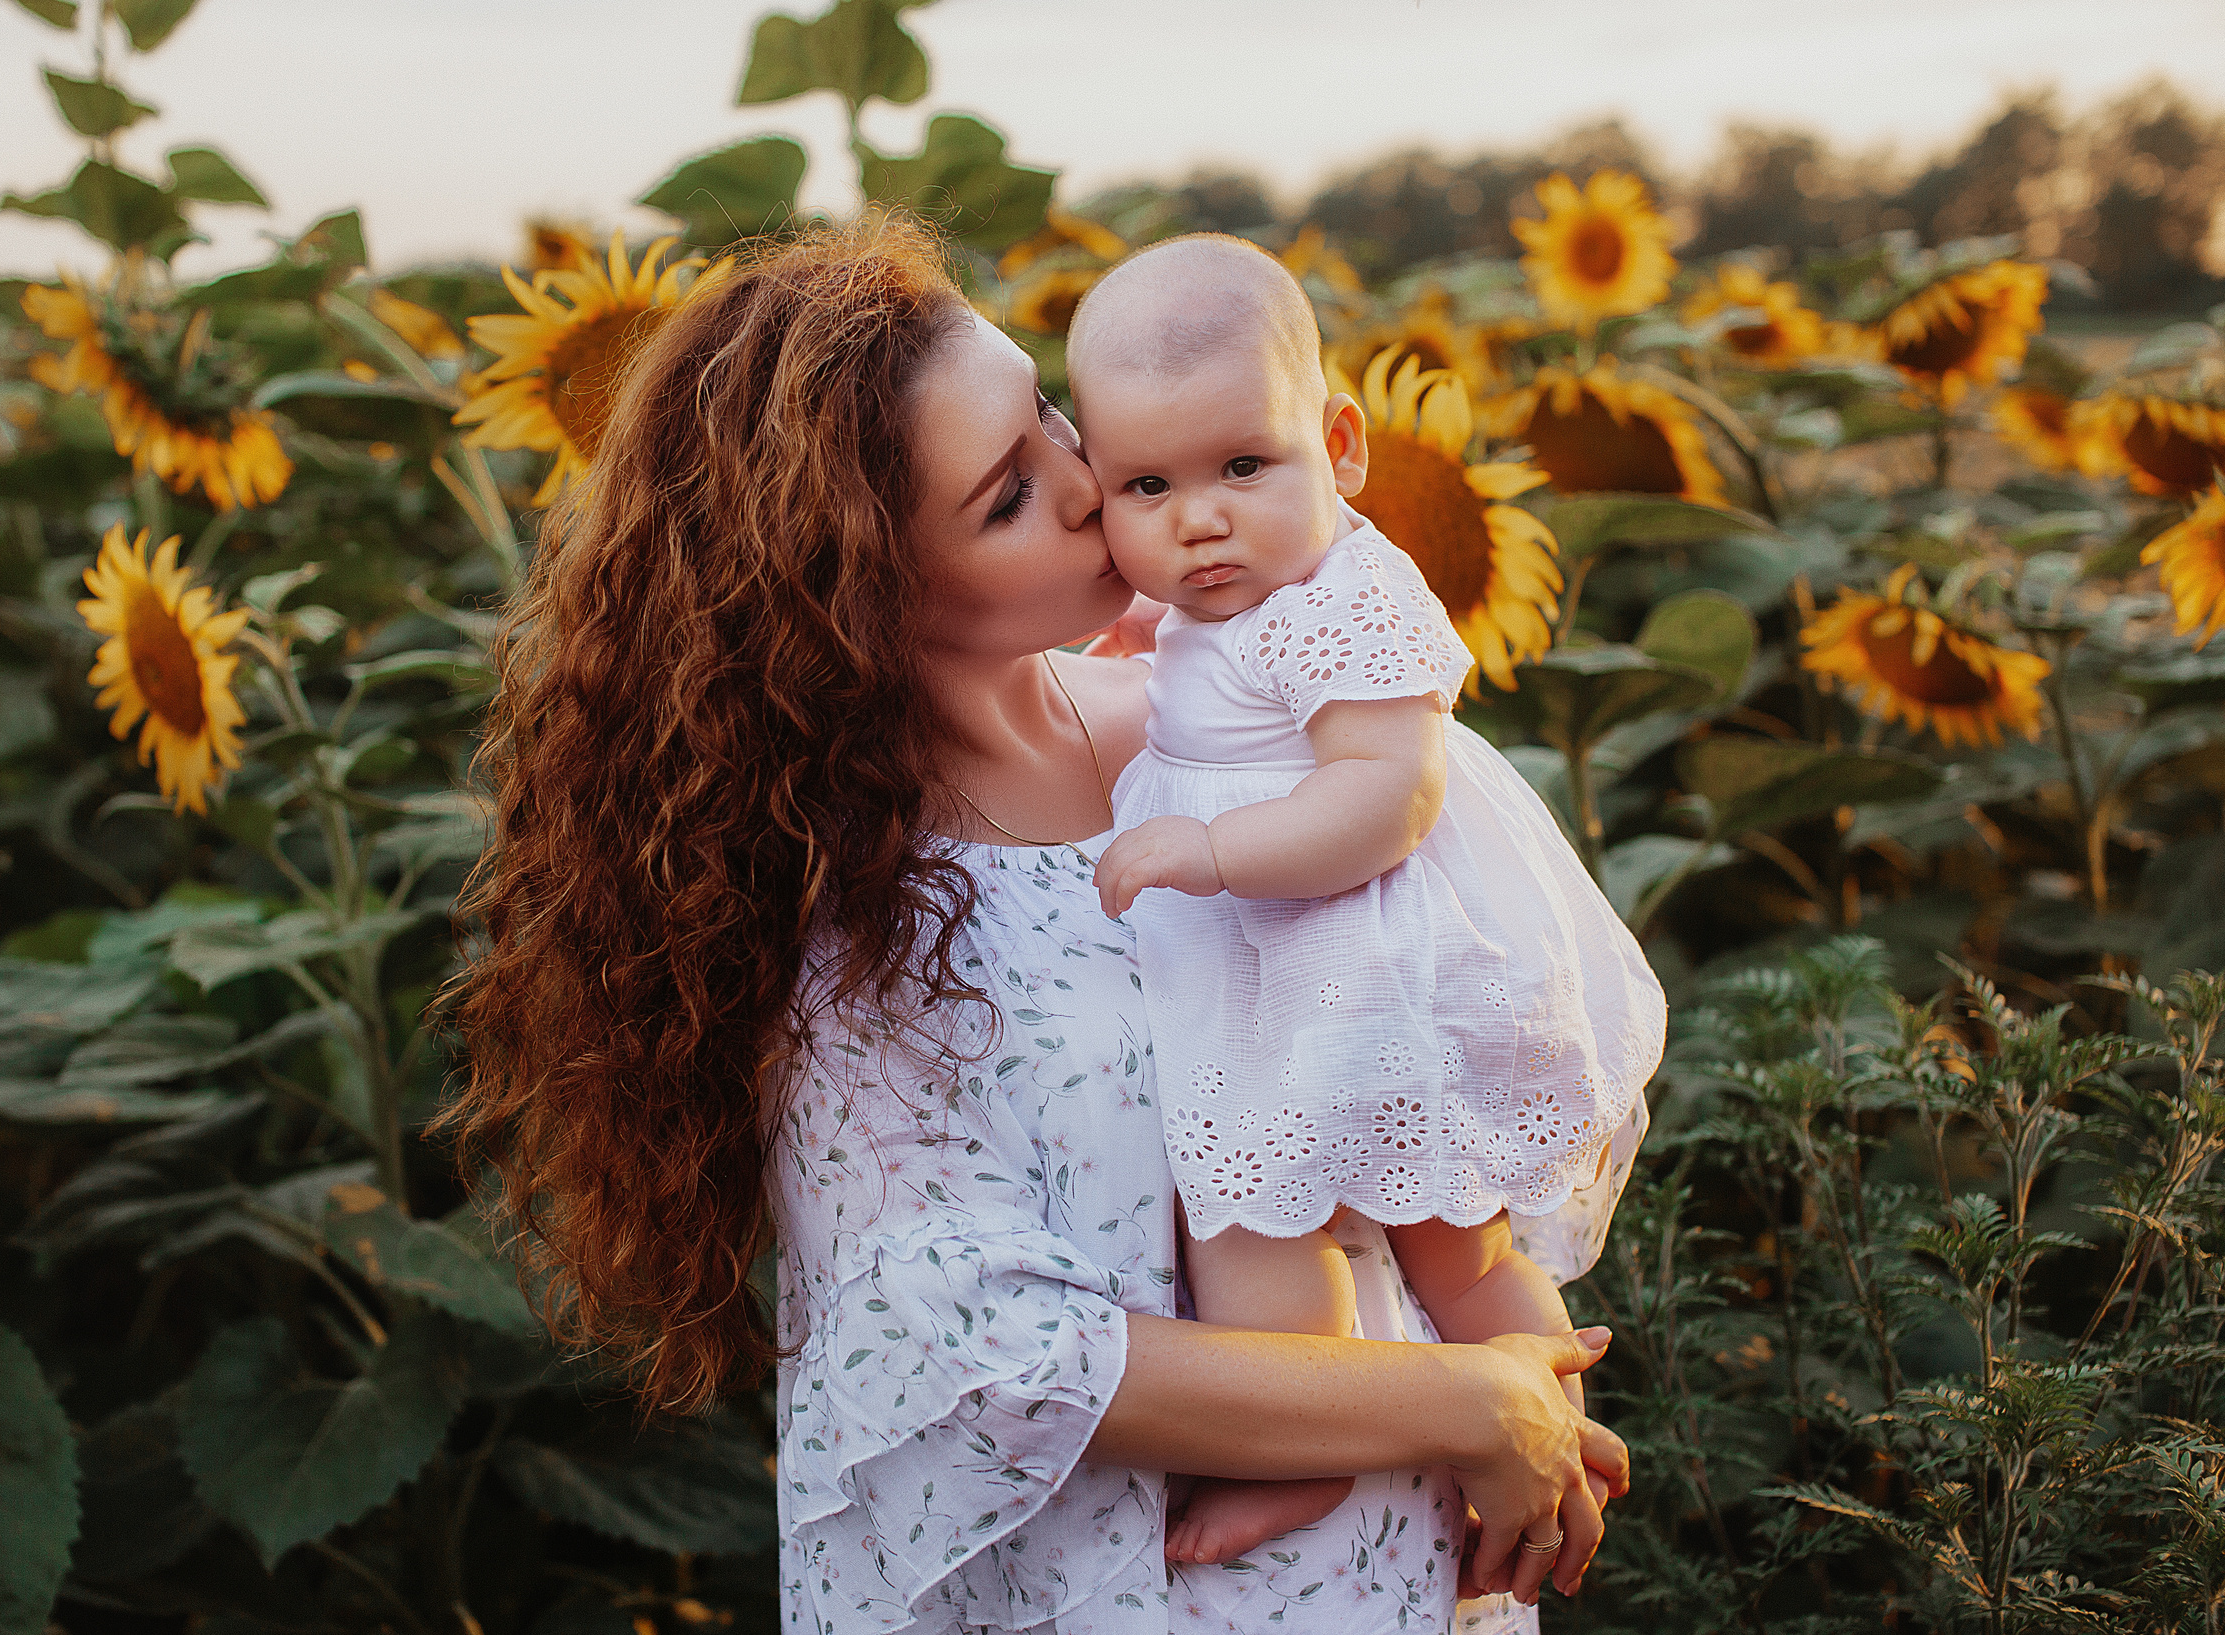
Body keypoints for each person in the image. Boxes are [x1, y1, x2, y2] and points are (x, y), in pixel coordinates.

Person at [444, 218, 1628, 1635]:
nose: (1087, 485)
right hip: (1142, 1593)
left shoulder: (1211, 732)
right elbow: (979, 1351)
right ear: (859, 598)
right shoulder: (868, 918)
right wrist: (1460, 1402)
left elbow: (1438, 1022)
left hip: (1407, 1569)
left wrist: (1524, 1380)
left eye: (1048, 416)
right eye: (1006, 499)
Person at [1067, 236, 1665, 1566]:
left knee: (1364, 1227)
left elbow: (1385, 794)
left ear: (1340, 444)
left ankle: (1539, 1418)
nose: (1199, 518)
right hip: (1278, 970)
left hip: (1365, 965)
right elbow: (1182, 672)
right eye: (1145, 486)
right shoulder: (1209, 608)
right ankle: (1346, 1447)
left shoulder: (1351, 598)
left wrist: (1205, 853)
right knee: (1264, 1231)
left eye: (1242, 467)